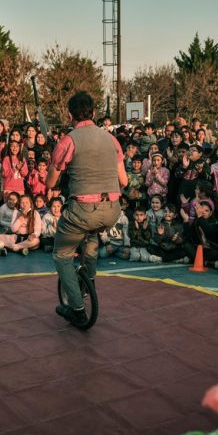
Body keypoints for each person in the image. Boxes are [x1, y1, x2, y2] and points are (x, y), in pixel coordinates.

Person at [47, 91, 128, 326]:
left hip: (82, 211)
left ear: (69, 115)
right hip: (112, 210)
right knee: (91, 238)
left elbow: (51, 183)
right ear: (93, 113)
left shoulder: (69, 140)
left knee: (62, 255)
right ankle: (89, 280)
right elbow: (124, 181)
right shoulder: (111, 139)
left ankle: (78, 308)